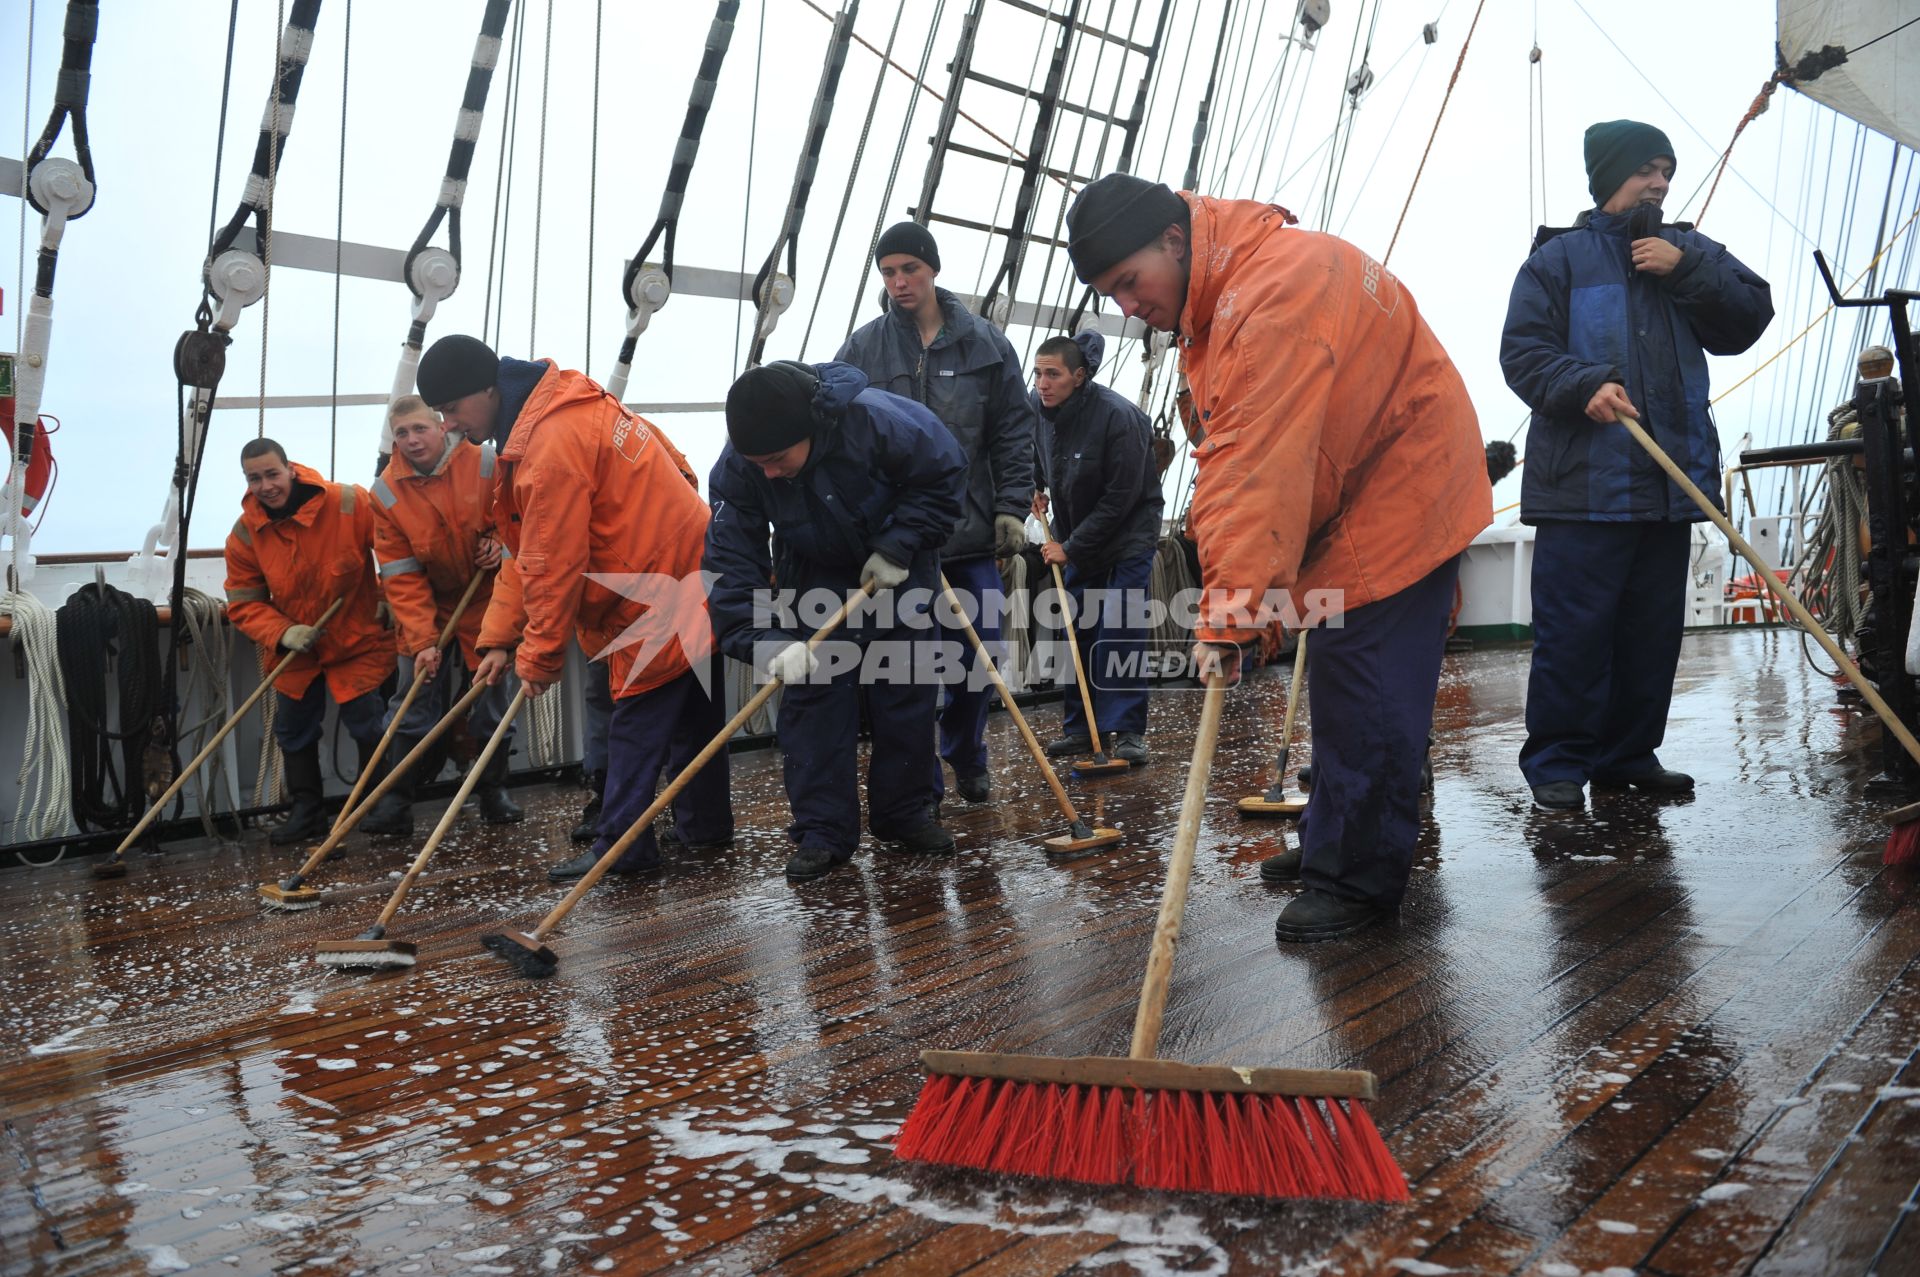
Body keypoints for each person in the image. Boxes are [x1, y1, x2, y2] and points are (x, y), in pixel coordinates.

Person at [1066, 173, 1492, 942]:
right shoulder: (1230, 292)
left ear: (1172, 239)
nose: (1127, 308)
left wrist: (1232, 616)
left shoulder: (1268, 298)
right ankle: (1335, 830)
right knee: (1337, 676)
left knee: (1367, 686)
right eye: (1111, 294)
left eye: (1129, 282)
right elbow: (1236, 454)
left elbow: (1257, 467)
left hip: (1401, 487)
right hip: (1354, 479)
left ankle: (1357, 879)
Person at [1502, 120, 1772, 813]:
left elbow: (1750, 315)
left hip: (1666, 486)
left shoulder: (1687, 251)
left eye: (1666, 172)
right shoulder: (1556, 263)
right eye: (1646, 170)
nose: (1658, 183)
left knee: (1652, 635)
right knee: (1574, 636)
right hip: (1583, 492)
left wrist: (1687, 271)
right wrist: (1581, 383)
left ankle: (1626, 756)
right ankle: (1558, 761)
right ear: (1608, 177)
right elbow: (1523, 354)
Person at [415, 334, 733, 879]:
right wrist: (498, 639)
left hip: (652, 595)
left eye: (451, 409)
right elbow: (528, 545)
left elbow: (551, 562)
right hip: (695, 569)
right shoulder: (569, 401)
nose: (449, 425)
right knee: (694, 714)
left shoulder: (547, 449)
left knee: (633, 724)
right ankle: (703, 830)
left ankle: (623, 849)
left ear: (488, 390)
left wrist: (536, 658)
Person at [705, 359, 967, 882]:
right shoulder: (742, 467)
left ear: (811, 427)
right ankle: (823, 831)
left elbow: (944, 477)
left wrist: (900, 543)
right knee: (814, 704)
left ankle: (906, 813)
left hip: (896, 569)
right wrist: (765, 641)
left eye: (778, 460)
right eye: (758, 463)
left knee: (905, 692)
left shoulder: (882, 422)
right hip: (813, 577)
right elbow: (731, 562)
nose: (769, 474)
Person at [836, 222, 1035, 804]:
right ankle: (916, 784)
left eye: (910, 270)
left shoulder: (986, 344)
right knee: (906, 669)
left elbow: (1013, 432)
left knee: (980, 659)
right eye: (889, 272)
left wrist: (1011, 508)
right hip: (897, 541)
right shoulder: (863, 348)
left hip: (969, 533)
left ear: (933, 270)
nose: (899, 282)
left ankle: (966, 752)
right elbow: (840, 433)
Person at [357, 396, 521, 837]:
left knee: (491, 697)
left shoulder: (488, 462)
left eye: (419, 430)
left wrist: (498, 543)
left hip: (487, 599)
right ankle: (395, 802)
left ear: (440, 427)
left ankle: (493, 791)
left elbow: (519, 521)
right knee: (412, 698)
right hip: (427, 602)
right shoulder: (387, 491)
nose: (411, 441)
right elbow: (399, 574)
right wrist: (423, 639)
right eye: (401, 434)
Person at [223, 439, 392, 844]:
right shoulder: (246, 532)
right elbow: (243, 602)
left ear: (290, 469)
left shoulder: (349, 502)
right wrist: (282, 632)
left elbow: (395, 548)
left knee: (370, 724)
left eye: (272, 474)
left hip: (357, 638)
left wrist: (389, 599)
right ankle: (307, 813)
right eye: (254, 478)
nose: (265, 485)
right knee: (293, 729)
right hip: (297, 648)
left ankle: (382, 807)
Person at [1030, 329, 1163, 763]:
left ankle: (1127, 731)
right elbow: (1034, 455)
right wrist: (1033, 487)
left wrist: (1071, 547)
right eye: (1037, 374)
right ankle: (1084, 728)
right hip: (1076, 532)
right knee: (1080, 631)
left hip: (1127, 535)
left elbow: (1121, 498)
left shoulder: (1119, 418)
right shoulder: (1040, 409)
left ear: (1079, 376)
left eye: (1053, 374)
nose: (1043, 383)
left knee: (1119, 630)